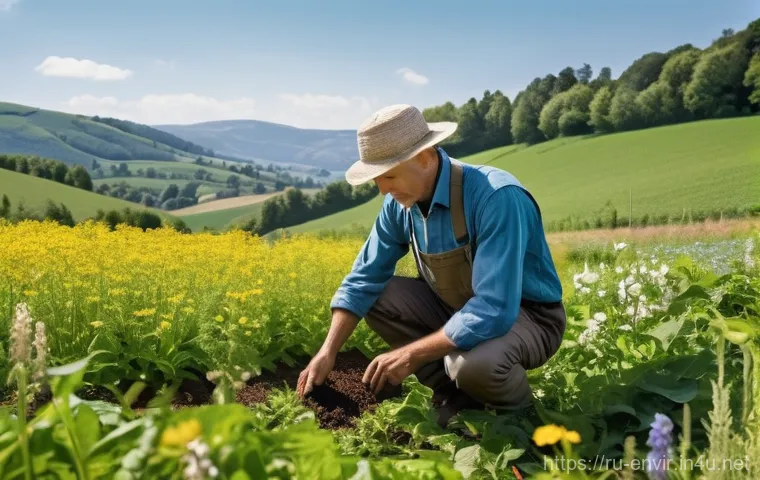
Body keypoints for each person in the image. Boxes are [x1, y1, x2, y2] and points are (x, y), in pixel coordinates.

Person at [296, 103, 566, 426]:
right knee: (377, 297)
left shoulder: (496, 197)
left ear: (424, 158)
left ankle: (524, 423)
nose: (382, 188)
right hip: (457, 308)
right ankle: (457, 395)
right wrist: (328, 351)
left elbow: (495, 308)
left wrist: (412, 353)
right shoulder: (399, 205)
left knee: (472, 366)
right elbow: (363, 277)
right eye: (376, 179)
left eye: (389, 175)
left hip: (527, 316)